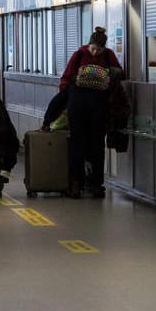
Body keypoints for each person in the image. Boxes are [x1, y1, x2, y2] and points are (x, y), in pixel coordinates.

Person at [57, 27, 123, 199]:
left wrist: (112, 73)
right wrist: (63, 101)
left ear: (104, 48)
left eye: (99, 50)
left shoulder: (108, 55)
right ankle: (76, 183)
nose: (95, 53)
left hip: (98, 108)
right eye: (93, 48)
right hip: (78, 106)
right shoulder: (78, 54)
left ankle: (96, 183)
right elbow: (65, 79)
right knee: (77, 144)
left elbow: (119, 72)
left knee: (97, 145)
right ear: (89, 45)